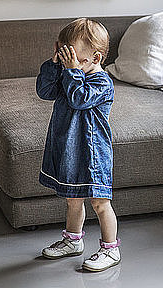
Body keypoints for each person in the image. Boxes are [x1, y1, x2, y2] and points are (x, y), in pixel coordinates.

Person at [35, 18, 119, 272]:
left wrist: (71, 71)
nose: (70, 65)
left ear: (96, 58)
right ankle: (73, 241)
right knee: (73, 199)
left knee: (100, 203)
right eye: (66, 57)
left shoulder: (102, 83)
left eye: (77, 60)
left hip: (93, 152)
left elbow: (79, 99)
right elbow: (44, 91)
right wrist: (54, 64)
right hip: (70, 149)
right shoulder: (70, 72)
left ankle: (110, 249)